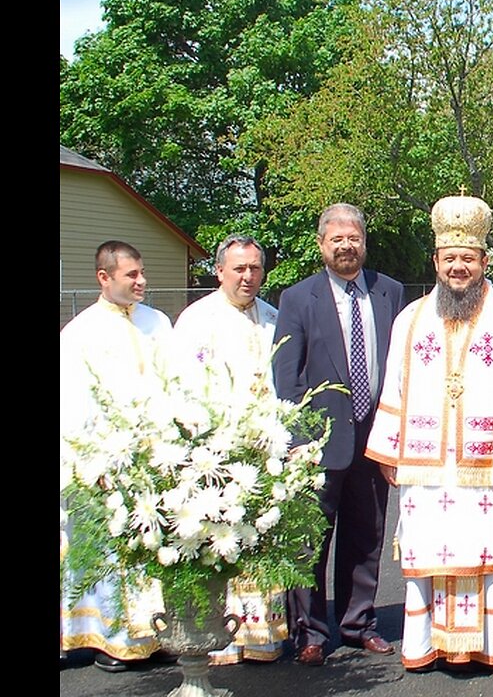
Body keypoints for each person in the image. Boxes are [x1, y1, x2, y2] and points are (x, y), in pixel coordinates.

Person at [364, 194, 493, 671]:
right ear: (436, 261)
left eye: (468, 258)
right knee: (431, 549)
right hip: (425, 463)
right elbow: (393, 386)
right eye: (450, 259)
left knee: (487, 548)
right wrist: (387, 450)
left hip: (489, 462)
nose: (458, 267)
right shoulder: (411, 318)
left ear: (483, 260)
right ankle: (428, 643)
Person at [272, 203, 406, 666]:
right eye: (337, 240)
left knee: (365, 537)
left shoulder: (388, 292)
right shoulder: (296, 298)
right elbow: (286, 377)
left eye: (354, 238)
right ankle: (309, 632)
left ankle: (358, 623)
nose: (347, 246)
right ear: (321, 244)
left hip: (374, 438)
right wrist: (297, 441)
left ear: (364, 242)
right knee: (310, 541)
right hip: (318, 443)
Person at [171, 234, 288, 665]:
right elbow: (183, 384)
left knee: (263, 542)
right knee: (222, 541)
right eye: (239, 268)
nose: (248, 276)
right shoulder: (196, 320)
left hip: (267, 448)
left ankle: (260, 634)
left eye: (255, 268)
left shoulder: (275, 317)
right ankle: (216, 635)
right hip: (217, 452)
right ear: (219, 271)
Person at [60, 240, 169, 671]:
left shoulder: (158, 323)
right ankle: (108, 639)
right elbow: (72, 402)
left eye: (142, 273)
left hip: (155, 456)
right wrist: (92, 458)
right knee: (105, 551)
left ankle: (149, 633)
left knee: (151, 546)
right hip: (105, 459)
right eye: (132, 275)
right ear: (104, 278)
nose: (142, 281)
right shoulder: (80, 334)